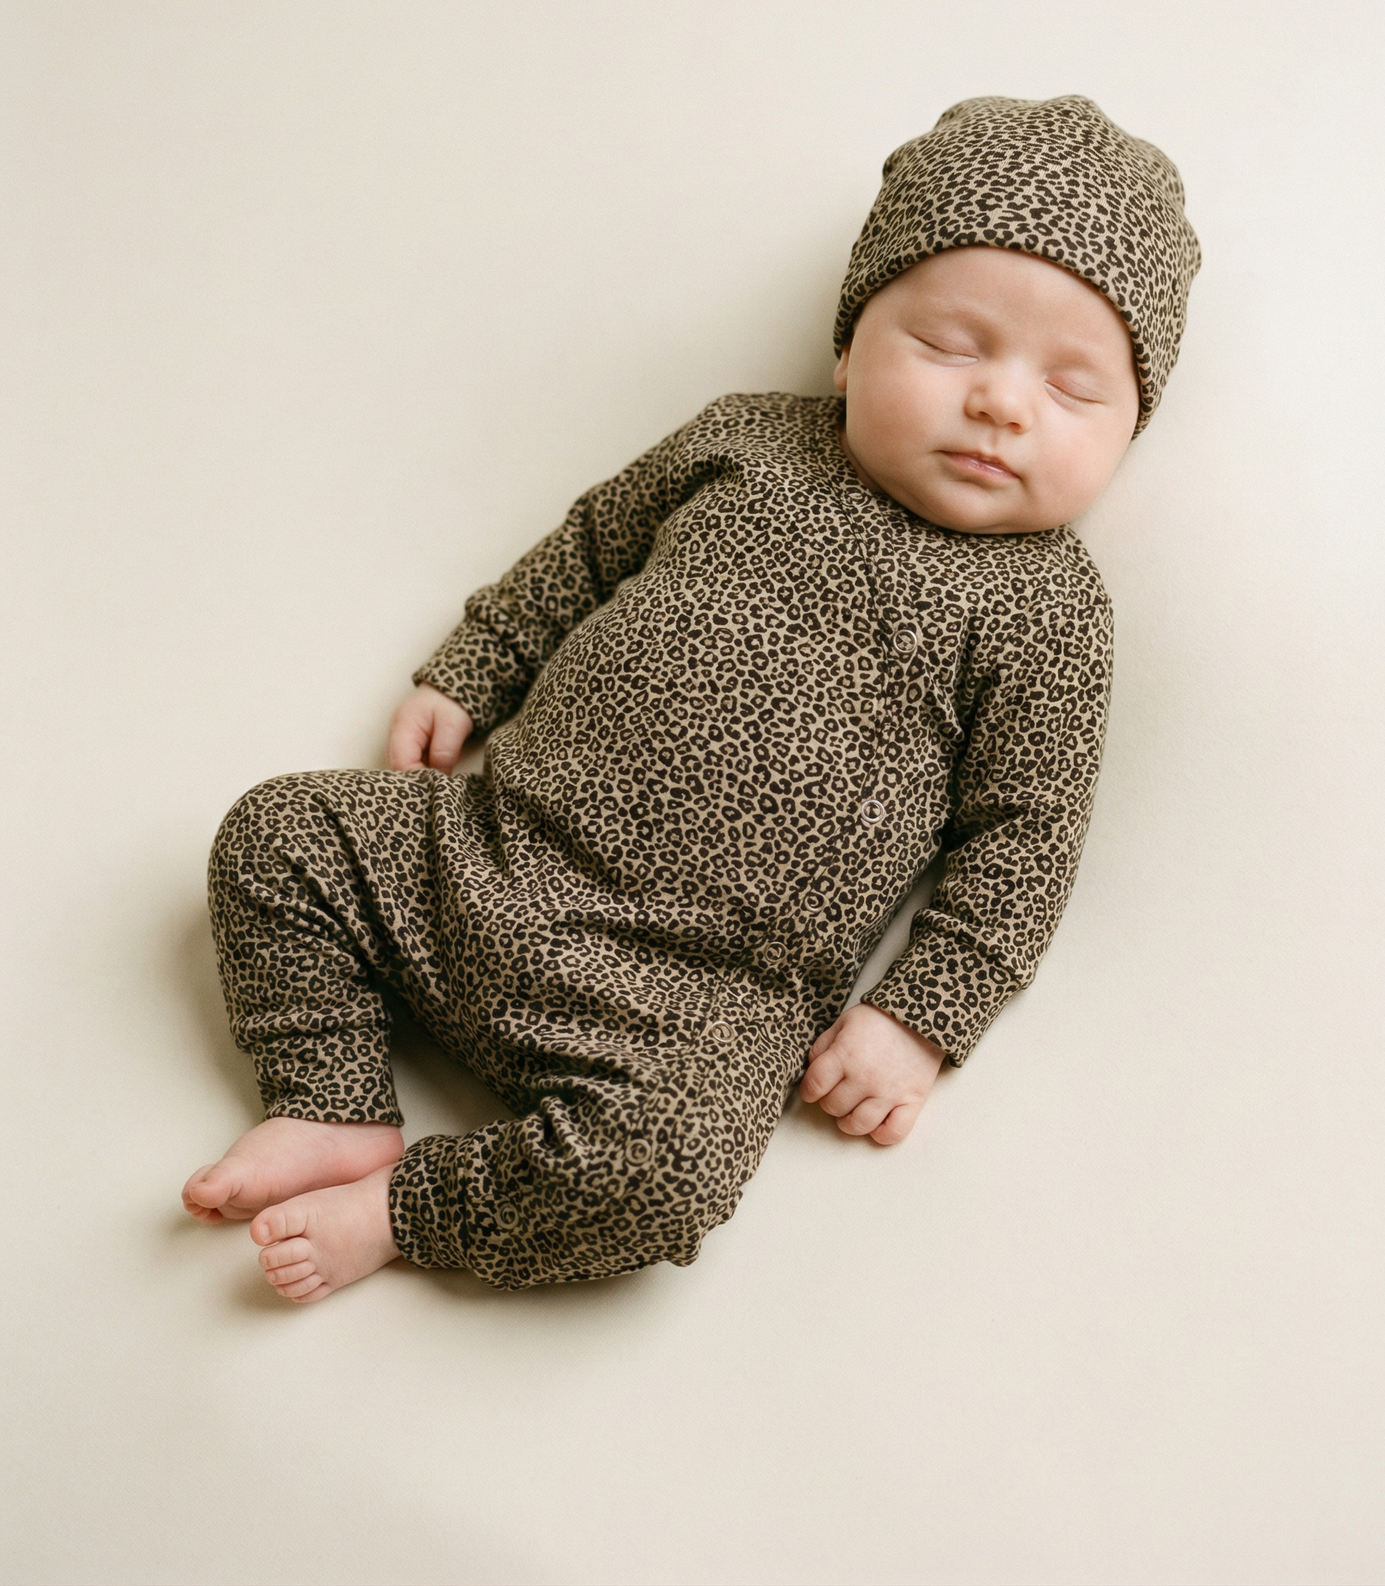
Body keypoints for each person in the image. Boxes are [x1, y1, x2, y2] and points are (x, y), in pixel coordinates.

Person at [182, 95, 1201, 1303]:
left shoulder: (1046, 609)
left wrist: (919, 1018)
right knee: (276, 835)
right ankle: (332, 1101)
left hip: (696, 1004)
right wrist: (479, 661)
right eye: (949, 345)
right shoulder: (747, 442)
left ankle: (406, 1210)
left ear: (1132, 432)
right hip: (485, 851)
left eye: (1074, 390)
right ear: (847, 343)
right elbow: (591, 544)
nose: (1001, 402)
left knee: (660, 1184)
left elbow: (1025, 839)